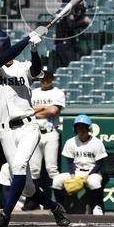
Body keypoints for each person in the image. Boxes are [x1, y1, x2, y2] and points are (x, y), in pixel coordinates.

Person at [0, 28, 70, 227]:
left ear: (2, 44)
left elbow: (35, 70)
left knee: (19, 166)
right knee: (28, 188)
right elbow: (4, 58)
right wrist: (28, 39)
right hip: (6, 132)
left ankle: (5, 215)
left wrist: (34, 50)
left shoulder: (21, 66)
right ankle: (55, 207)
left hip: (29, 127)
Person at [24, 69, 66, 209]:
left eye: (48, 77)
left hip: (50, 132)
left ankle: (59, 202)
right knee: (34, 169)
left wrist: (36, 110)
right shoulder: (34, 92)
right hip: (34, 132)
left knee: (52, 168)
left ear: (52, 78)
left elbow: (53, 111)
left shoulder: (58, 92)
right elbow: (27, 111)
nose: (45, 79)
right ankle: (32, 202)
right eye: (42, 77)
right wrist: (43, 108)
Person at [51, 115, 108, 215]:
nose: (81, 129)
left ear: (88, 128)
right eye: (79, 127)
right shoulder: (70, 142)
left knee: (94, 182)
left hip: (92, 172)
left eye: (84, 127)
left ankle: (97, 206)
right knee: (57, 180)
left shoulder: (97, 143)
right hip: (76, 172)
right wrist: (73, 175)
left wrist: (88, 176)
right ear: (75, 128)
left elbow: (99, 163)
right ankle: (59, 207)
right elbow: (70, 162)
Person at [52, 0, 89, 68]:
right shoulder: (68, 10)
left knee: (62, 68)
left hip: (58, 43)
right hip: (66, 44)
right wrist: (84, 22)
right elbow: (71, 26)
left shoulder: (59, 10)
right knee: (71, 67)